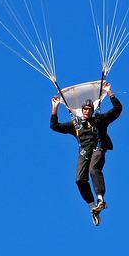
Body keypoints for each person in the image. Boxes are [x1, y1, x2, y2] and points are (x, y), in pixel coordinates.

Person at [50, 82, 122, 226]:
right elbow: (55, 126)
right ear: (82, 110)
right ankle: (92, 207)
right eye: (85, 109)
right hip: (84, 152)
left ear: (92, 110)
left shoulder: (99, 120)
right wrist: (55, 107)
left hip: (99, 148)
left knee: (93, 169)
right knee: (79, 180)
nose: (86, 111)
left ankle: (101, 199)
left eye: (89, 109)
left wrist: (109, 92)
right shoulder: (75, 124)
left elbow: (117, 109)